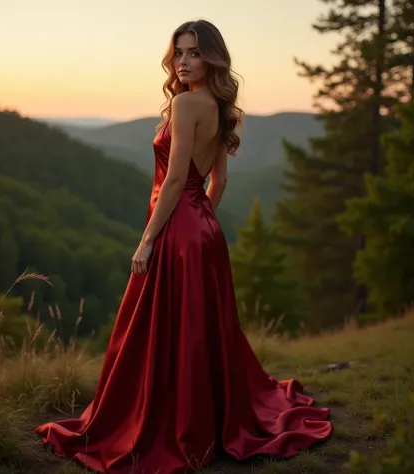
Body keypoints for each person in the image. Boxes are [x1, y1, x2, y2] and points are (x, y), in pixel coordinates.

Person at [36, 19, 333, 474]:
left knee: (164, 328)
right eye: (179, 52)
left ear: (211, 57)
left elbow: (175, 179)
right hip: (202, 231)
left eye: (193, 52)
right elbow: (218, 181)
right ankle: (204, 417)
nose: (184, 61)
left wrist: (149, 239)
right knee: (195, 330)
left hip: (178, 231)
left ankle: (171, 422)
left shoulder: (185, 102)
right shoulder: (219, 105)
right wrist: (204, 223)